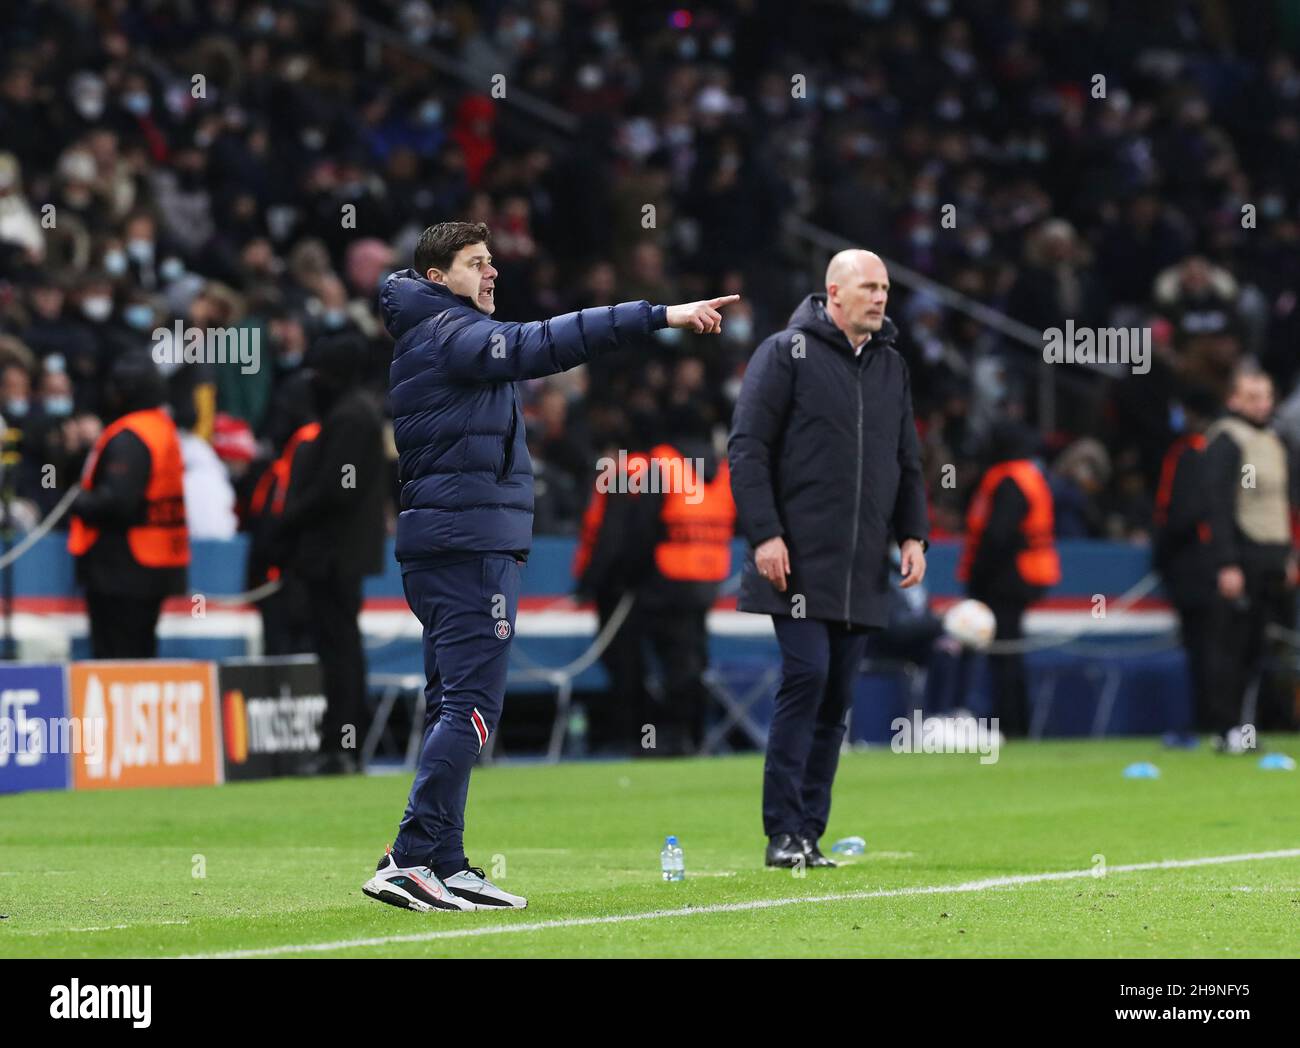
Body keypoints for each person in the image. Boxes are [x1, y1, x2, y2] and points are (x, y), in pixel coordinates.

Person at [363, 220, 738, 911]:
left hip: (452, 542)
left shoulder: (436, 336)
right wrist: (658, 315)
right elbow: (546, 342)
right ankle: (409, 856)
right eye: (478, 263)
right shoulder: (452, 334)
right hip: (468, 546)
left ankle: (444, 860)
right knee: (472, 706)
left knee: (453, 702)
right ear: (439, 278)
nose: (493, 272)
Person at [728, 248, 929, 870]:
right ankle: (782, 829)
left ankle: (808, 833)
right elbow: (747, 448)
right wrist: (764, 533)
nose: (880, 298)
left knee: (837, 696)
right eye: (868, 287)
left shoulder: (892, 365)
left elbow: (907, 461)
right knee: (808, 677)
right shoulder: (784, 352)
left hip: (862, 561)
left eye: (886, 289)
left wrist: (913, 536)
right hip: (797, 558)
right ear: (833, 293)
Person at [277, 334, 387, 774]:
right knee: (343, 648)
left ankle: (340, 745)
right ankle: (344, 743)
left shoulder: (349, 418)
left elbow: (337, 490)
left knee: (339, 650)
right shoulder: (360, 412)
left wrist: (290, 518)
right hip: (344, 551)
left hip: (336, 553)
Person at [1200, 367, 1298, 752]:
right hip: (1244, 554)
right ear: (1234, 400)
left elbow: (1278, 505)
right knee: (1232, 647)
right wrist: (1228, 562)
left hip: (1272, 556)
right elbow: (1220, 505)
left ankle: (1248, 727)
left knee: (1260, 649)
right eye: (1253, 397)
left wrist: (1288, 555)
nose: (1262, 404)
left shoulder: (1272, 440)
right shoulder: (1228, 440)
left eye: (1267, 396)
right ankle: (1226, 728)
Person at [67, 353, 189, 657]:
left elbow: (117, 501)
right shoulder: (161, 427)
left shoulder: (130, 435)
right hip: (156, 559)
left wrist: (73, 500)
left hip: (123, 567)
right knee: (141, 650)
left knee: (117, 656)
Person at [956, 420, 1061, 738]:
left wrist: (976, 580)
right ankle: (1014, 725)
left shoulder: (1008, 481)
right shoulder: (1029, 476)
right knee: (1009, 653)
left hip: (1005, 580)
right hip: (1022, 575)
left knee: (1004, 655)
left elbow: (997, 536)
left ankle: (1011, 726)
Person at [1152, 391, 1218, 740]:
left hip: (1193, 567)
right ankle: (1218, 722)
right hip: (1207, 563)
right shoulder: (1209, 453)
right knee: (1207, 647)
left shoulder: (1188, 455)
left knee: (1202, 648)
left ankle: (1209, 721)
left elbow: (1181, 515)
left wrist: (1161, 557)